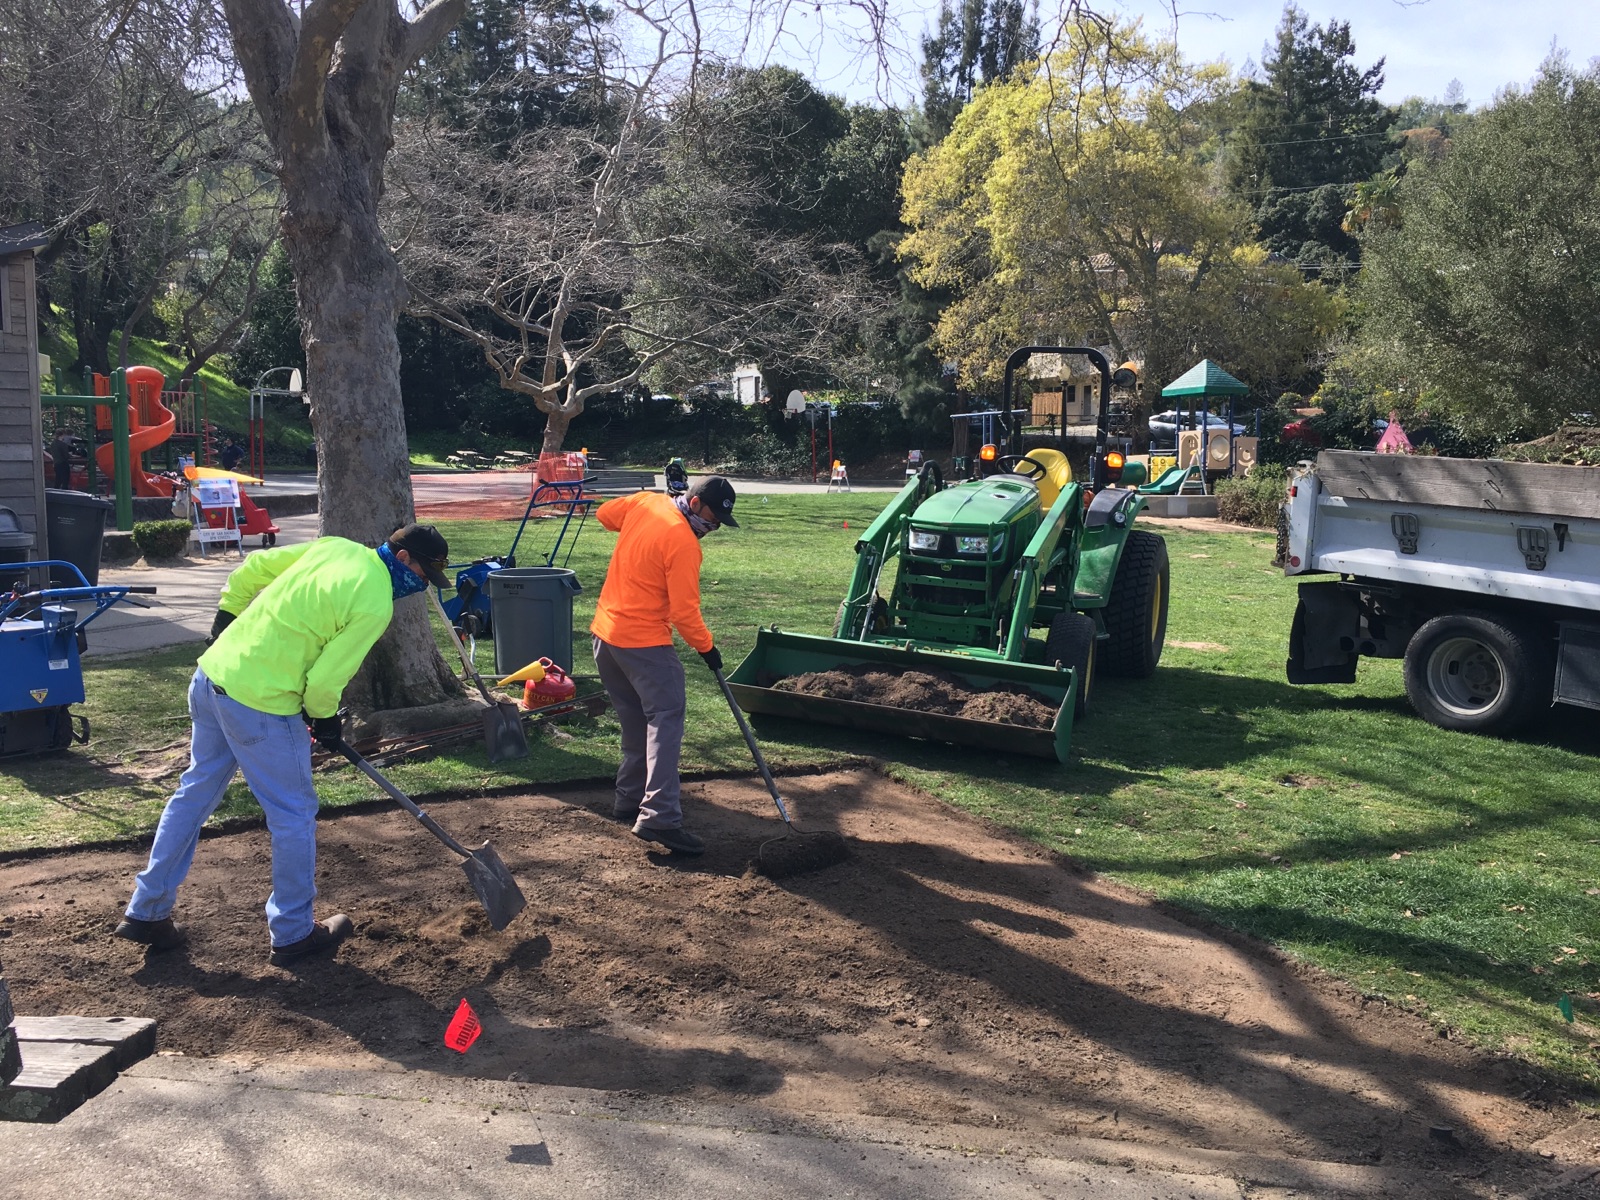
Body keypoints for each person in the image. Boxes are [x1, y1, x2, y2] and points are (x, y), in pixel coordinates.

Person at [115, 523, 452, 965]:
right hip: (262, 704)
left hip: (212, 677)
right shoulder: (373, 603)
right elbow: (325, 681)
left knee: (194, 794)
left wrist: (228, 614)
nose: (423, 585)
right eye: (425, 575)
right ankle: (293, 933)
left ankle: (146, 911)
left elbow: (254, 567)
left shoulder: (336, 547)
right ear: (404, 558)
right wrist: (326, 720)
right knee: (293, 814)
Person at [590, 475, 738, 856]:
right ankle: (659, 816)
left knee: (639, 721)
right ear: (694, 502)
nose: (714, 527)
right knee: (666, 720)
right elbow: (684, 613)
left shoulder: (646, 502)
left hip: (605, 638)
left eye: (720, 522)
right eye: (712, 518)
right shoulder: (684, 543)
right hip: (643, 643)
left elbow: (605, 515)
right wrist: (707, 648)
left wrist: (642, 516)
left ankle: (629, 800)